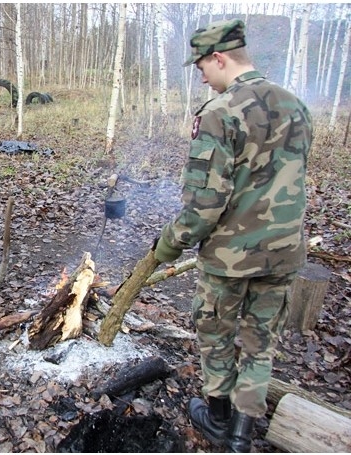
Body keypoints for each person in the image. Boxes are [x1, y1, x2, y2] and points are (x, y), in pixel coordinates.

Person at [151, 19, 312, 452]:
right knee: (262, 343)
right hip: (283, 253)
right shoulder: (294, 104)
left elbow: (206, 203)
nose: (201, 75)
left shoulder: (220, 112)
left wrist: (168, 245)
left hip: (230, 258)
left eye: (202, 65)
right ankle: (244, 434)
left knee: (216, 334)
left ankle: (218, 420)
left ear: (219, 57)